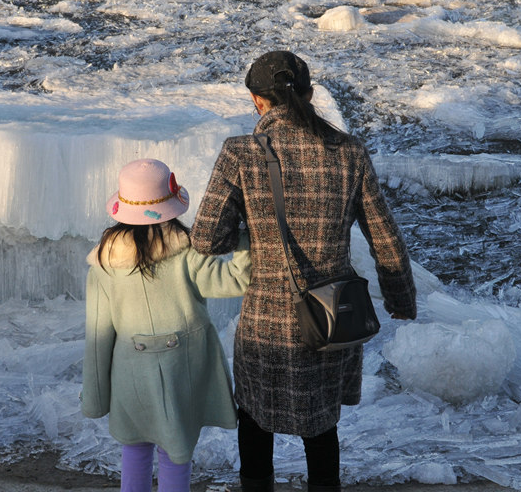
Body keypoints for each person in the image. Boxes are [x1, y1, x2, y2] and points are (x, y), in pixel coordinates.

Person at [190, 50, 417, 492]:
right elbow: (385, 239)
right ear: (310, 95)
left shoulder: (240, 153)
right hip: (332, 317)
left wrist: (254, 232)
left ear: (258, 101)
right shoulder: (349, 153)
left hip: (266, 323)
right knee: (322, 427)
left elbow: (206, 240)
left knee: (255, 423)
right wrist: (401, 301)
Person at [81, 158, 252, 492]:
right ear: (171, 205)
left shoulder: (103, 263)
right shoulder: (188, 251)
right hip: (182, 371)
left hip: (131, 374)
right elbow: (236, 280)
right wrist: (244, 239)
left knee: (135, 447)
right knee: (176, 451)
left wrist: (96, 397)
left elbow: (98, 334)